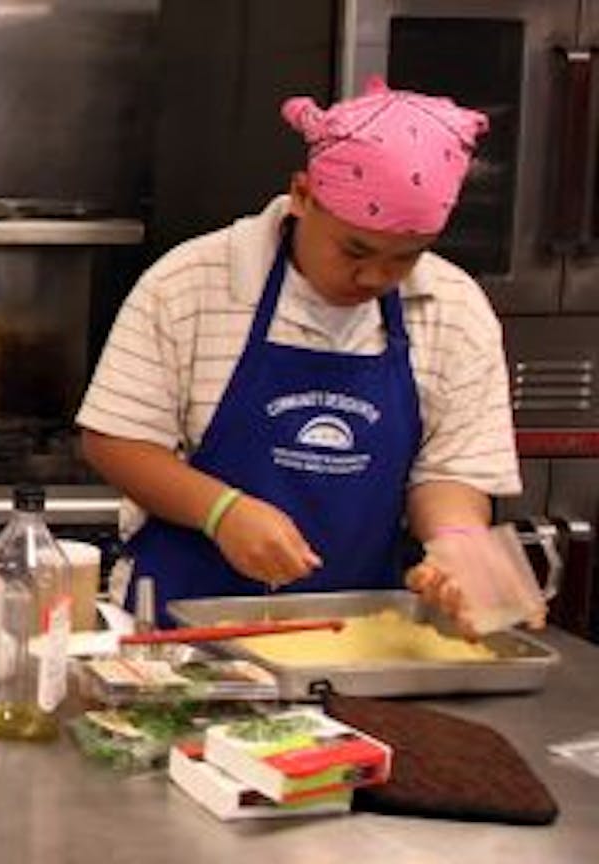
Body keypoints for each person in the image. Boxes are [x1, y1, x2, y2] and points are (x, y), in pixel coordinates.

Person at [78, 78, 525, 631]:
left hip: (362, 638)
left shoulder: (453, 307)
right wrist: (222, 512)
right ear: (303, 194)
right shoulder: (191, 283)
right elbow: (114, 439)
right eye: (355, 250)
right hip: (183, 634)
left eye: (404, 258)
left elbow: (451, 472)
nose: (374, 277)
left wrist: (458, 551)